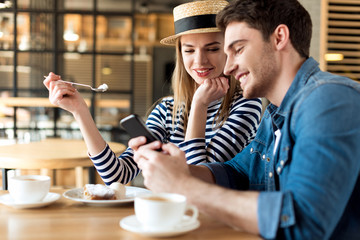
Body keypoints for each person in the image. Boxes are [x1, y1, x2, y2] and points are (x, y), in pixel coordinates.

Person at [131, 0, 360, 239]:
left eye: (238, 49)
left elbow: (302, 223)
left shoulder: (329, 100)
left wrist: (183, 187)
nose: (228, 67)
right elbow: (237, 173)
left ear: (279, 38)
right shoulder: (275, 115)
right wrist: (177, 170)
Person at [43, 0, 262, 185]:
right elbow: (116, 176)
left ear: (228, 50)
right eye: (189, 50)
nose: (199, 60)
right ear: (180, 54)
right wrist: (80, 111)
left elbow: (196, 178)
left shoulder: (246, 104)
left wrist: (199, 106)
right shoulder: (166, 109)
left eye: (212, 48)